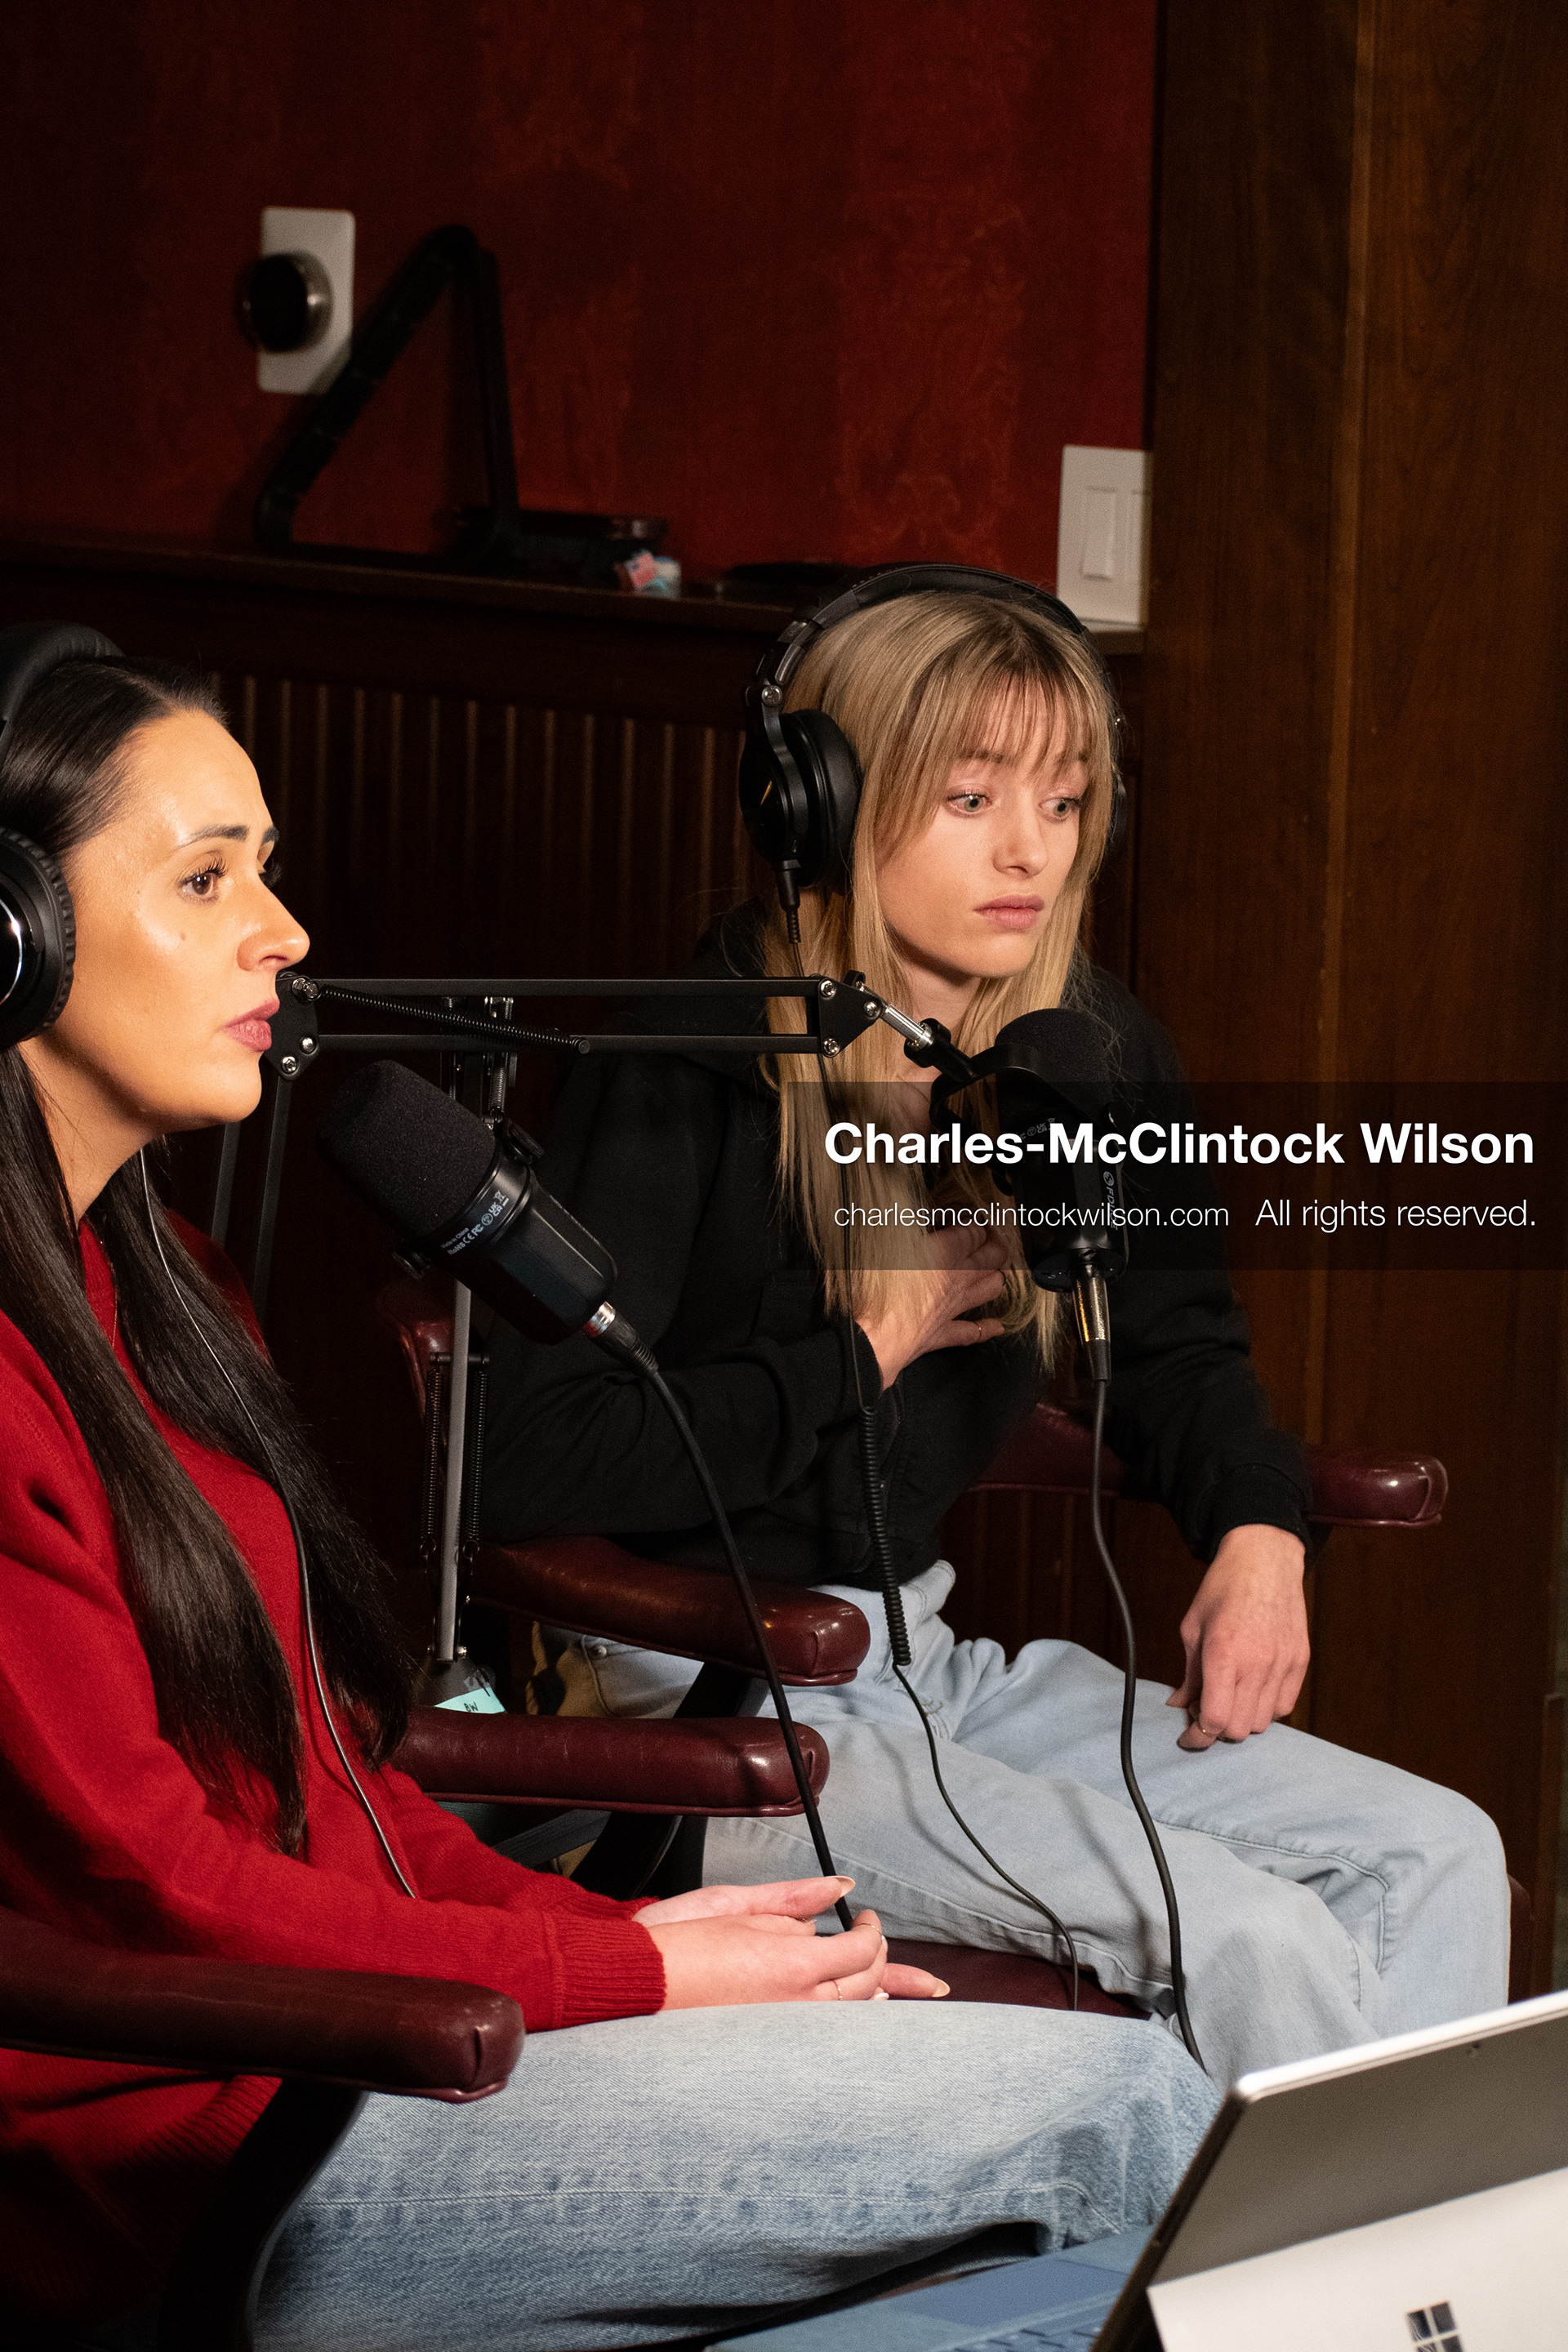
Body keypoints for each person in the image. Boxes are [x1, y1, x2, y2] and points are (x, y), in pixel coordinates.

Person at [0, 643, 1218, 2350]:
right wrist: (638, 1980)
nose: (280, 928)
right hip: (227, 2156)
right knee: (1134, 2118)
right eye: (206, 879)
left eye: (265, 868)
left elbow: (339, 1790)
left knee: (1018, 2267)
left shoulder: (170, 1288)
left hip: (363, 2056)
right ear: (10, 938)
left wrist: (630, 1933)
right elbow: (160, 1889)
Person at [479, 581, 1511, 2088]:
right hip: (709, 1705)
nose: (1032, 849)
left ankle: (1419, 2313)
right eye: (969, 798)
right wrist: (866, 1347)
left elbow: (1179, 1343)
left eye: (1064, 799)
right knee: (1251, 1939)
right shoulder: (688, 1056)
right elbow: (533, 1455)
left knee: (1438, 1852)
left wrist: (1258, 1532)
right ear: (822, 803)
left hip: (926, 1661)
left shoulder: (1080, 1045)